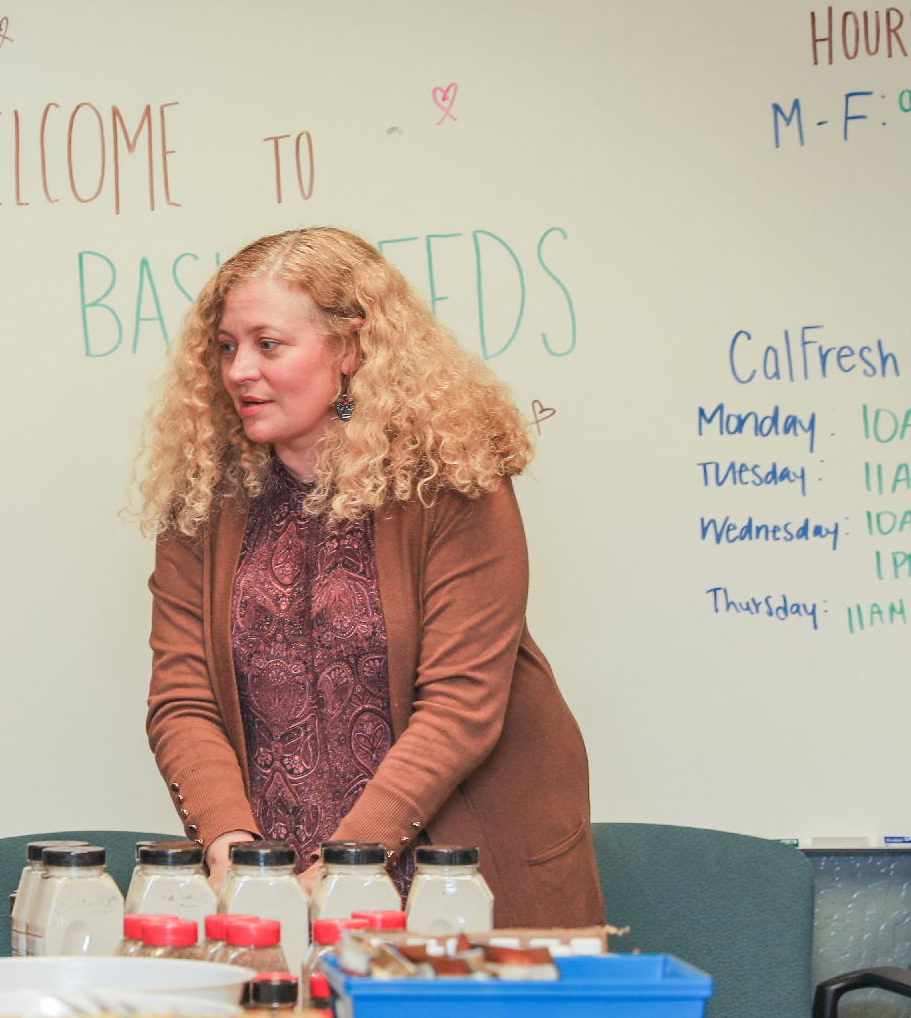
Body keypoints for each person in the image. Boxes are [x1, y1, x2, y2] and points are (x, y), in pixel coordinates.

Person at [141, 227, 605, 926]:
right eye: (228, 346)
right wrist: (236, 856)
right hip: (271, 884)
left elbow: (459, 707)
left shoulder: (453, 481)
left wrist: (344, 866)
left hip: (459, 880)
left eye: (268, 344)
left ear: (352, 346)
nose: (239, 370)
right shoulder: (202, 498)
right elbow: (183, 698)